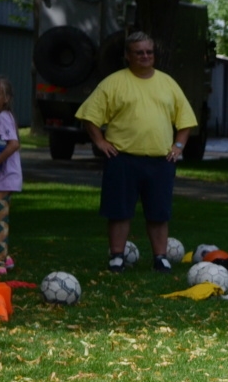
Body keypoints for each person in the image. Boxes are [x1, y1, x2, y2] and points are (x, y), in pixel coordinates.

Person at [76, 31, 198, 273]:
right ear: (127, 55)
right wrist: (100, 141)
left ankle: (160, 258)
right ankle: (117, 257)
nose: (145, 56)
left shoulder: (168, 83)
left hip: (160, 160)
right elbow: (89, 115)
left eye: (149, 52)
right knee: (119, 211)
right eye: (139, 52)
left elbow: (185, 120)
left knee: (159, 213)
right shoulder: (113, 82)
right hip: (122, 158)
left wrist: (178, 146)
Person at [0, 75, 22, 276]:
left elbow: (13, 144)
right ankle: (5, 257)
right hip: (2, 178)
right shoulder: (3, 117)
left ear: (7, 98)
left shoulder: (2, 118)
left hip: (5, 177)